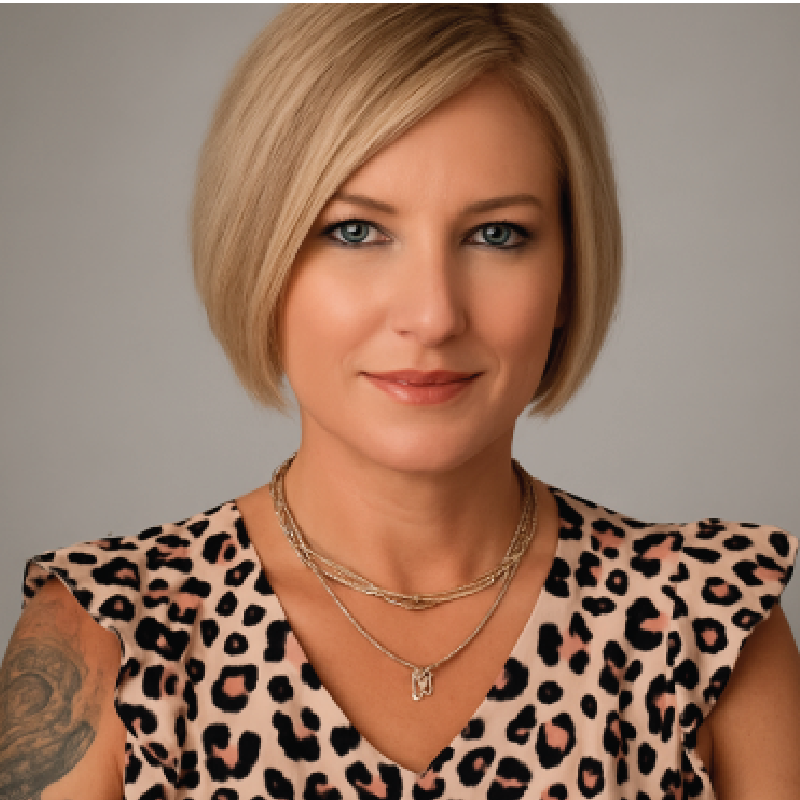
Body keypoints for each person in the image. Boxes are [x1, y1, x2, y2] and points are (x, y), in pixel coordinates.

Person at [1, 5, 798, 800]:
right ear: (261, 255)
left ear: (569, 273)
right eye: (355, 232)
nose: (433, 314)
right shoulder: (107, 638)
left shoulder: (704, 627)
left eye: (496, 235)